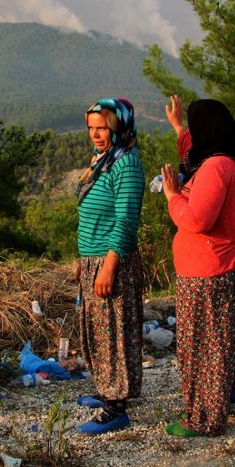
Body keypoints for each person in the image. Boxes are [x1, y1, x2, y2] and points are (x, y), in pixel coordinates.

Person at [160, 98, 235, 437]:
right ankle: (205, 409)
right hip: (216, 266)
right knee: (212, 344)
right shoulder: (231, 164)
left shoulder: (216, 168)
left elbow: (196, 220)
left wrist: (173, 196)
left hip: (209, 271)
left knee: (203, 347)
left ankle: (204, 418)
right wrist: (178, 126)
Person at [74, 97, 145, 434]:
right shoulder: (103, 160)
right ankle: (106, 388)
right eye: (91, 128)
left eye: (102, 128)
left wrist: (108, 266)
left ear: (119, 127)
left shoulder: (126, 164)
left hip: (111, 260)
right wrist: (85, 261)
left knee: (114, 333)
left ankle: (116, 406)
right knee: (97, 332)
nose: (96, 134)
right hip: (94, 259)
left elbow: (126, 221)